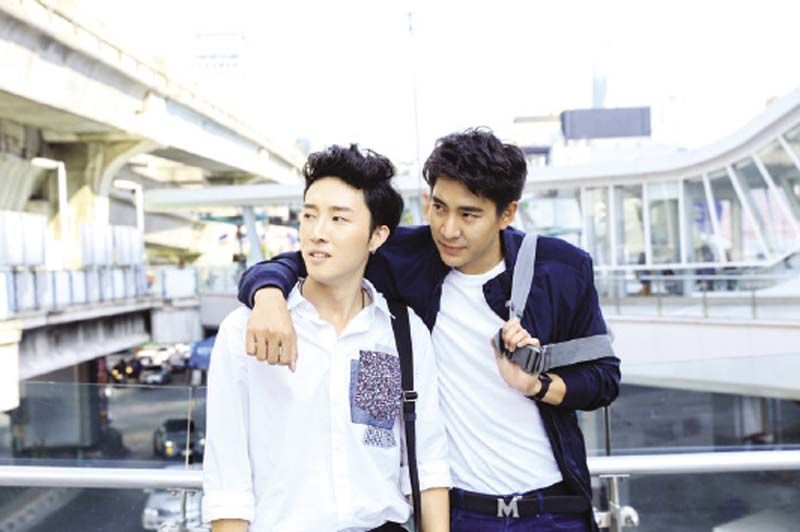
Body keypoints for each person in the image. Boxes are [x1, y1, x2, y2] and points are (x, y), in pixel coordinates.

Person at [238, 129, 621, 532]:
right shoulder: (407, 256)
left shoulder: (560, 269)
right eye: (438, 207)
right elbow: (302, 259)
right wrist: (268, 297)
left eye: (468, 214)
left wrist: (535, 386)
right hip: (460, 512)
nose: (448, 229)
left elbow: (604, 379)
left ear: (507, 214)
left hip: (554, 509)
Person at [203, 145, 451, 532]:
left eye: (339, 218)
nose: (317, 233)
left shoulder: (401, 331)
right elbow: (227, 481)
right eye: (309, 215)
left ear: (377, 236)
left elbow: (428, 462)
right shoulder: (245, 329)